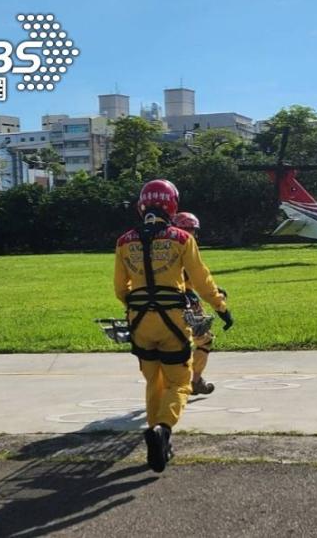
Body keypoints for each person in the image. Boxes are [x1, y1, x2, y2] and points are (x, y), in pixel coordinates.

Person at [114, 180, 233, 473]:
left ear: (142, 204)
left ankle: (158, 441)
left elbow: (120, 288)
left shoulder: (123, 241)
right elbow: (202, 280)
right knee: (180, 382)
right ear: (172, 204)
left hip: (139, 322)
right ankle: (163, 430)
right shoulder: (181, 238)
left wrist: (138, 306)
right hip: (173, 322)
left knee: (153, 382)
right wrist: (221, 306)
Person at [171, 211, 218, 395]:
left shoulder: (162, 248)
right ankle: (195, 380)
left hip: (161, 301)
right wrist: (216, 297)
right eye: (189, 230)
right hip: (187, 300)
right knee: (204, 339)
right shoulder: (185, 247)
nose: (192, 235)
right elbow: (197, 277)